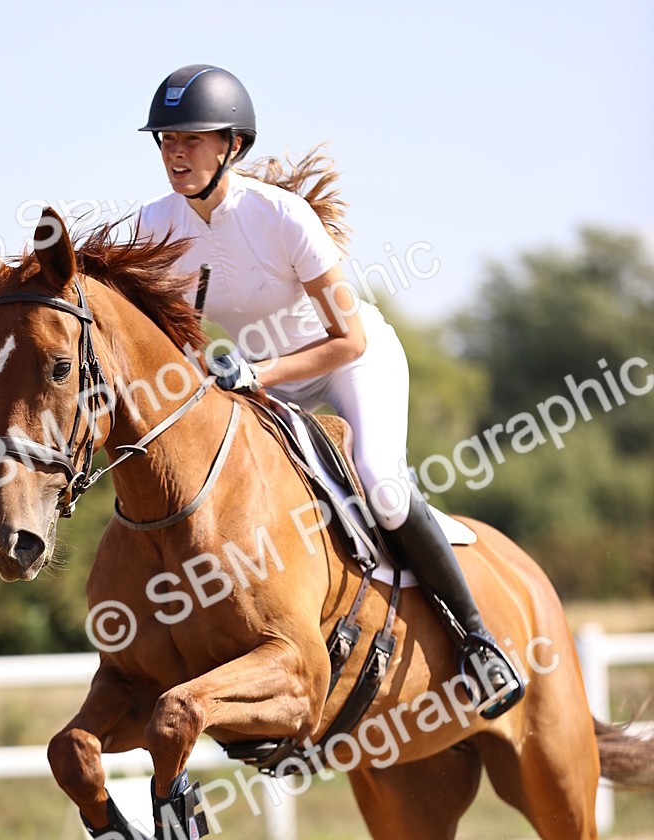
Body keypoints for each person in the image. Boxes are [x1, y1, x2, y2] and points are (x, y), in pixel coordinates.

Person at [136, 63, 524, 718]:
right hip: (260, 379)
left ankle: (477, 640)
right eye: (167, 140)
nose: (176, 153)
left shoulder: (280, 216)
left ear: (232, 144)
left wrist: (256, 374)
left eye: (192, 139)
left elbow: (350, 340)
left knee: (380, 480)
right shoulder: (154, 225)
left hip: (348, 360)